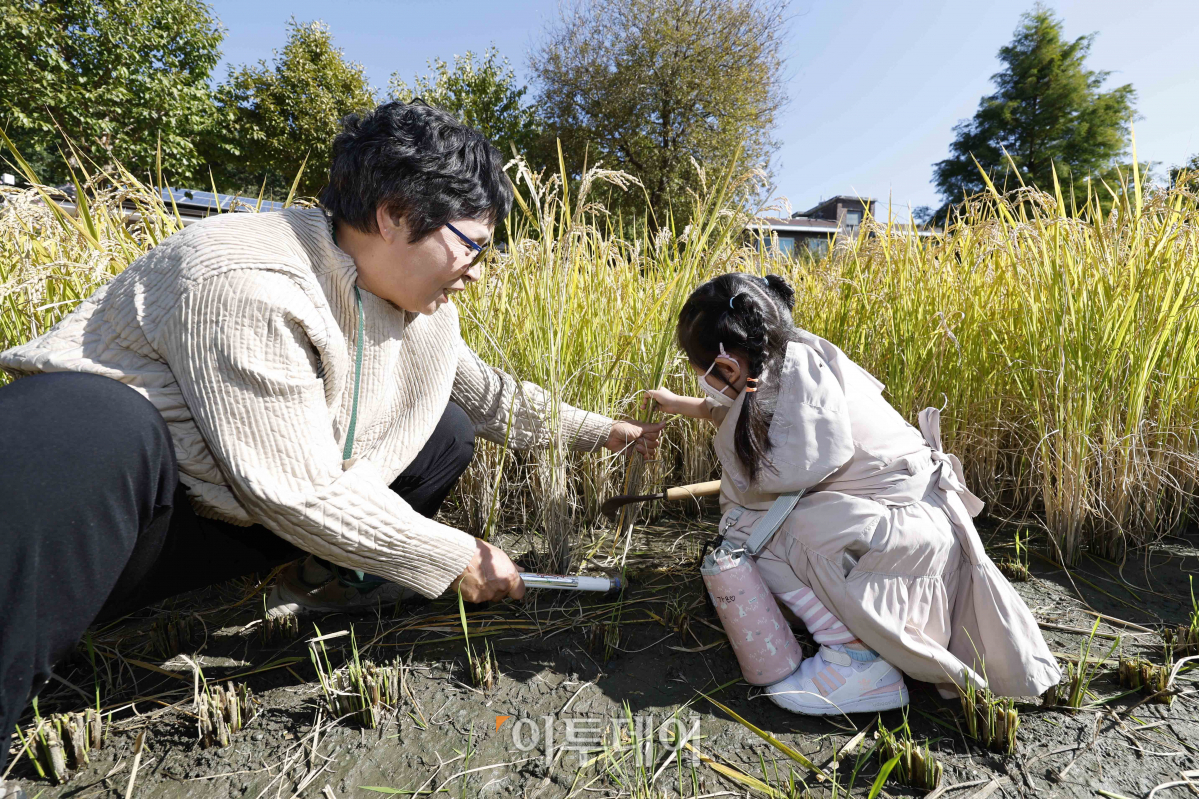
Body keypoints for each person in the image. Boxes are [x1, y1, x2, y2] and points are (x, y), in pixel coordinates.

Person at [0, 101, 663, 779]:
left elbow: (489, 397)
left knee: (446, 430)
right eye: (473, 245)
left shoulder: (416, 305)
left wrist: (607, 432)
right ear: (395, 215)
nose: (477, 269)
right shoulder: (243, 278)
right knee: (89, 420)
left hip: (241, 524)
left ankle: (325, 585)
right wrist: (452, 554)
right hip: (106, 531)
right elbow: (299, 489)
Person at [646, 272, 1059, 716]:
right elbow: (746, 411)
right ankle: (845, 628)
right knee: (757, 526)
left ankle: (859, 662)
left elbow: (764, 482)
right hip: (913, 531)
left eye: (700, 373)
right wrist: (684, 405)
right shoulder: (791, 358)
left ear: (727, 367)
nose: (701, 382)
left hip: (909, 542)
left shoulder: (799, 388)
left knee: (747, 533)